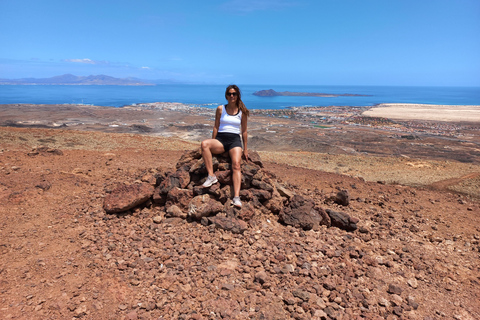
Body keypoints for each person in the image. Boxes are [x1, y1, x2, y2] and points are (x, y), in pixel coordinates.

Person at [200, 84, 250, 208]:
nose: (231, 96)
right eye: (229, 94)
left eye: (234, 94)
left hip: (234, 141)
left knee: (236, 165)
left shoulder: (241, 112)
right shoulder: (220, 109)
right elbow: (216, 126)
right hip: (221, 139)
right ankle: (211, 176)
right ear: (226, 96)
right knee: (205, 144)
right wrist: (213, 141)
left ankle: (236, 198)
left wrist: (246, 149)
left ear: (238, 95)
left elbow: (244, 131)